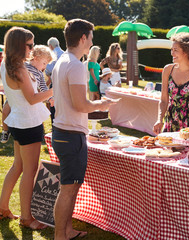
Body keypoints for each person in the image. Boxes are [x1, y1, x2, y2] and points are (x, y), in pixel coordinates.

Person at [51, 19, 116, 240]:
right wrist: (102, 104)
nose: (91, 42)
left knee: (71, 186)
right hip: (70, 135)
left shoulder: (63, 60)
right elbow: (81, 105)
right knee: (68, 189)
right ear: (82, 38)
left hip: (65, 132)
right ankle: (61, 235)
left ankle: (66, 231)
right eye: (90, 37)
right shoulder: (76, 65)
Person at [0, 27, 52, 229]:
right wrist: (55, 90)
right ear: (19, 45)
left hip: (18, 122)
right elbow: (32, 99)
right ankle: (27, 218)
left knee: (18, 167)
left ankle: (3, 207)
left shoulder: (6, 65)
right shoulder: (20, 68)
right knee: (29, 171)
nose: (32, 49)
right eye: (30, 45)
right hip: (28, 123)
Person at [153, 32, 189, 134]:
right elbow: (163, 100)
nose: (172, 53)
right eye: (172, 50)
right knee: (168, 150)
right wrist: (159, 119)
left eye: (175, 50)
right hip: (171, 123)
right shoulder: (168, 70)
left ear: (187, 52)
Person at [1, 45, 55, 144]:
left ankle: (38, 132)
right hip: (18, 96)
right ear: (36, 58)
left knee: (35, 117)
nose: (44, 67)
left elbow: (43, 86)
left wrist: (50, 97)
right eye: (44, 63)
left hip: (30, 99)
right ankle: (5, 130)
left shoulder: (39, 73)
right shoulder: (23, 66)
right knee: (5, 110)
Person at [46, 37, 64, 123]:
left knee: (53, 105)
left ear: (50, 46)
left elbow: (49, 69)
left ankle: (54, 124)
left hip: (55, 82)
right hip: (64, 82)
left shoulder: (52, 54)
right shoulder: (64, 53)